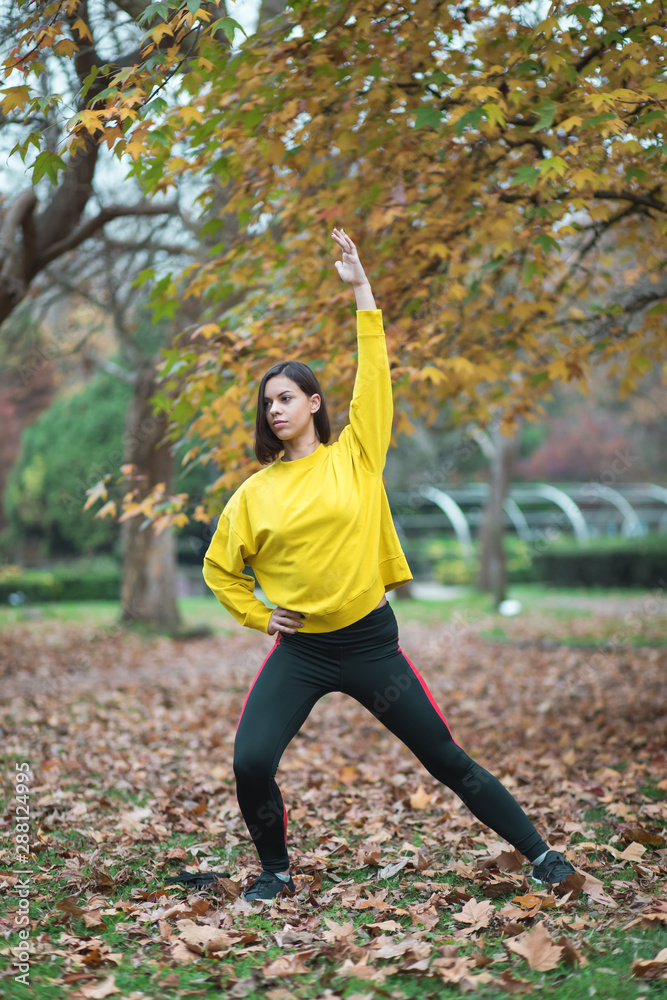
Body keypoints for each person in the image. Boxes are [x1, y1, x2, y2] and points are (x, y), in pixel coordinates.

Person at [202, 227, 576, 901]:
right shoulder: (254, 493)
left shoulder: (356, 453)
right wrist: (260, 615)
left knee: (442, 758)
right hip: (302, 650)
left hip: (371, 643)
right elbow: (219, 570)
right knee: (250, 758)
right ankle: (274, 872)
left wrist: (361, 291)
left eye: (285, 396)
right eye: (266, 403)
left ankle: (540, 853)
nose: (274, 409)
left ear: (314, 402)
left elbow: (374, 373)